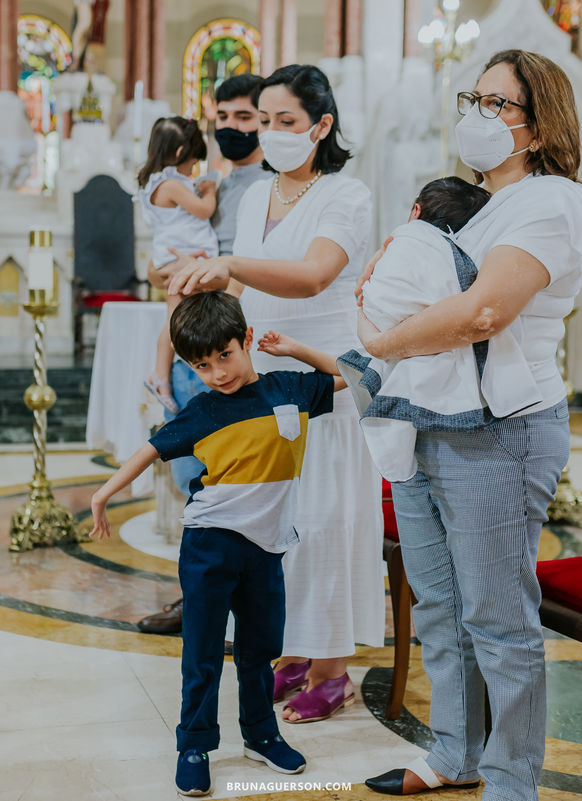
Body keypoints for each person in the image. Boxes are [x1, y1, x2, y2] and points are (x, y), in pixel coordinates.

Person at [356, 50, 582, 798]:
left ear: (539, 123)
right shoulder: (479, 202)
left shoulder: (551, 202)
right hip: (431, 419)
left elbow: (483, 312)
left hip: (500, 430)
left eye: (500, 104)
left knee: (498, 620)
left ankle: (510, 781)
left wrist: (381, 338)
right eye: (476, 98)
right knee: (439, 601)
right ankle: (457, 751)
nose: (480, 115)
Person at [169, 64, 384, 725]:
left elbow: (315, 275)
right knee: (277, 527)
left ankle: (332, 669)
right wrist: (211, 315)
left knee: (324, 521)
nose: (273, 132)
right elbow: (245, 286)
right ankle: (295, 648)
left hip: (323, 377)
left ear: (321, 126)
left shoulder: (347, 195)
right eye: (265, 120)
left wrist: (230, 264)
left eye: (287, 121)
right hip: (265, 380)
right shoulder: (258, 192)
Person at [88, 291, 344, 796]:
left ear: (247, 340)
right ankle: (194, 745)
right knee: (202, 651)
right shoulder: (202, 410)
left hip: (267, 547)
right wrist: (102, 494)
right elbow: (148, 450)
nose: (218, 373)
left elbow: (362, 373)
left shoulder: (291, 389)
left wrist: (295, 349)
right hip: (210, 544)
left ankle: (262, 736)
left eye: (224, 356)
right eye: (201, 365)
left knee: (260, 648)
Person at [138, 73, 267, 636]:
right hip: (198, 345)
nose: (233, 128)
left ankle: (229, 604)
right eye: (225, 119)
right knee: (199, 480)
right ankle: (200, 602)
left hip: (227, 347)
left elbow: (250, 269)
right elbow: (156, 266)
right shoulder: (207, 183)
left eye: (247, 118)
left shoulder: (271, 185)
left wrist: (214, 325)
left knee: (230, 484)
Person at [340, 176, 545, 483]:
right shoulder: (454, 253)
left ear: (415, 211)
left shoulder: (403, 243)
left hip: (386, 340)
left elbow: (377, 301)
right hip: (446, 383)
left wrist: (374, 327)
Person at [138, 115, 218, 413]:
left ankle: (163, 376)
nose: (193, 170)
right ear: (181, 153)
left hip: (178, 258)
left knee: (178, 321)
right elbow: (202, 210)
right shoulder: (170, 184)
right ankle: (160, 377)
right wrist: (209, 190)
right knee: (176, 324)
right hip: (179, 260)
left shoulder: (158, 182)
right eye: (194, 162)